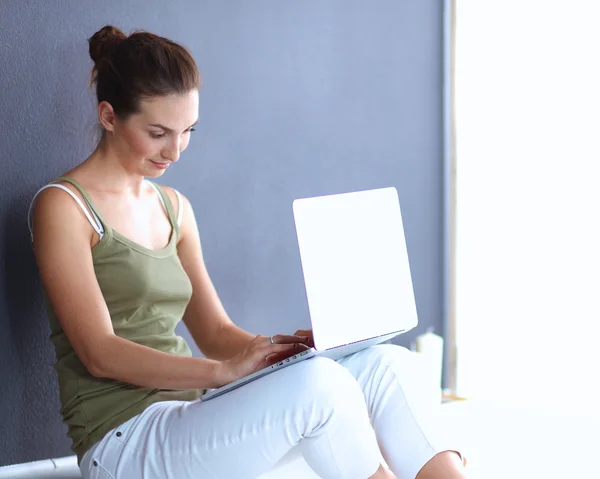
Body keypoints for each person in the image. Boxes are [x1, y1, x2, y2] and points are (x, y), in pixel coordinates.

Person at [29, 25, 468, 479]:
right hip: (125, 441)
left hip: (193, 417)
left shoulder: (173, 207)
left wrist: (289, 350)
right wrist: (220, 372)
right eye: (158, 132)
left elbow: (216, 331)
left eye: (187, 131)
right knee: (319, 387)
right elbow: (99, 352)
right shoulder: (64, 206)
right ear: (108, 116)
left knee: (387, 365)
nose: (176, 151)